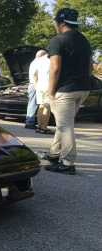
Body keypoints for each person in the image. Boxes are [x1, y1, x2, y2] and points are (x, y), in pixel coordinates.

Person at [41, 8, 93, 175]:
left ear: (61, 22)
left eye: (56, 22)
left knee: (65, 126)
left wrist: (50, 91)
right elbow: (90, 67)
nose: (55, 25)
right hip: (83, 89)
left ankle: (68, 163)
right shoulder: (85, 41)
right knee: (64, 124)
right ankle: (53, 154)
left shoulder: (58, 40)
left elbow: (55, 68)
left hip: (65, 90)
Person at [35, 51, 54, 134]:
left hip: (39, 84)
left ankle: (38, 127)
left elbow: (34, 74)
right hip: (47, 83)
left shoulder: (39, 60)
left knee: (41, 106)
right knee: (47, 106)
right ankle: (44, 128)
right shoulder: (51, 58)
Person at [25, 50, 44, 129]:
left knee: (32, 103)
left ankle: (30, 121)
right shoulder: (38, 63)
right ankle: (29, 122)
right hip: (34, 85)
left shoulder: (34, 62)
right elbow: (35, 75)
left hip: (32, 85)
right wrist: (37, 87)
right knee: (33, 104)